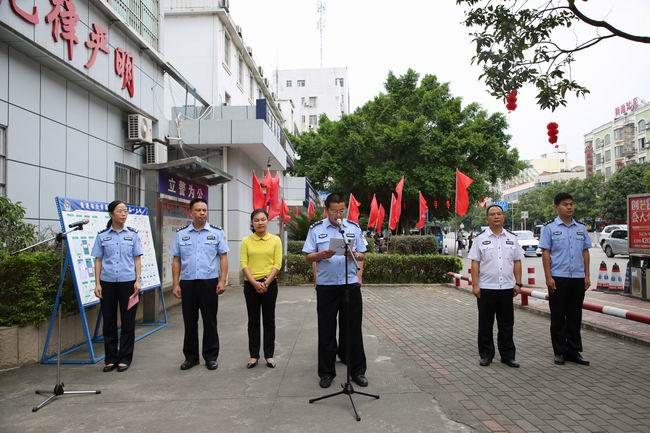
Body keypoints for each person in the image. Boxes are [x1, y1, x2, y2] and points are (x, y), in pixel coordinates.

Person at [303, 193, 368, 389]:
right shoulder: (316, 229)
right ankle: (326, 372)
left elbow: (362, 255)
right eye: (334, 211)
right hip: (327, 287)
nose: (338, 215)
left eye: (341, 211)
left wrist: (354, 255)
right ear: (326, 210)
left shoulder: (353, 228)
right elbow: (307, 256)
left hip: (349, 285)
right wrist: (321, 255)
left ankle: (357, 371)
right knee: (327, 330)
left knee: (353, 330)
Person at [171, 198, 229, 371]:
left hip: (209, 282)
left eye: (204, 210)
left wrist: (222, 280)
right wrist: (175, 284)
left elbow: (223, 257)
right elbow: (176, 260)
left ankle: (210, 357)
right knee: (190, 321)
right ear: (191, 212)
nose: (202, 213)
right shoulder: (182, 234)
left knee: (210, 320)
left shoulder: (217, 232)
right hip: (188, 283)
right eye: (198, 210)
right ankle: (191, 357)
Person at [539, 192, 591, 366]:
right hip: (558, 278)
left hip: (577, 278)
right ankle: (560, 351)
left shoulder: (581, 228)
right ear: (556, 207)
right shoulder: (549, 228)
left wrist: (587, 275)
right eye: (565, 204)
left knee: (575, 316)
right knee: (558, 317)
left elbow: (585, 252)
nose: (569, 207)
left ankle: (574, 351)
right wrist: (548, 277)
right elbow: (545, 253)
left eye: (571, 204)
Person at [468, 204, 524, 368]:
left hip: (506, 288)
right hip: (486, 288)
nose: (496, 217)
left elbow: (517, 261)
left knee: (507, 324)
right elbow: (475, 263)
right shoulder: (480, 239)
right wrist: (475, 285)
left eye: (499, 214)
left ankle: (508, 356)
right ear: (488, 218)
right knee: (485, 324)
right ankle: (486, 355)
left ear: (503, 217)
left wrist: (518, 282)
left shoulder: (512, 238)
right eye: (492, 214)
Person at [92, 200, 143, 373]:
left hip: (128, 283)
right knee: (109, 322)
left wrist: (138, 280)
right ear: (112, 214)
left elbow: (137, 258)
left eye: (125, 211)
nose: (124, 214)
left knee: (128, 322)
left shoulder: (133, 235)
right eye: (120, 211)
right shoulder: (102, 236)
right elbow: (98, 260)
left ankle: (125, 358)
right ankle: (110, 358)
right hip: (107, 283)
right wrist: (97, 283)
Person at [240, 209, 282, 369]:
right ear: (252, 223)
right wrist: (254, 283)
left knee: (269, 320)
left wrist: (266, 282)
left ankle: (269, 355)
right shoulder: (246, 241)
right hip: (250, 285)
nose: (260, 222)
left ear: (267, 221)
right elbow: (244, 263)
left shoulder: (275, 240)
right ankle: (253, 355)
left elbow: (277, 264)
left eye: (263, 219)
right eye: (256, 220)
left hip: (270, 284)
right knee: (253, 321)